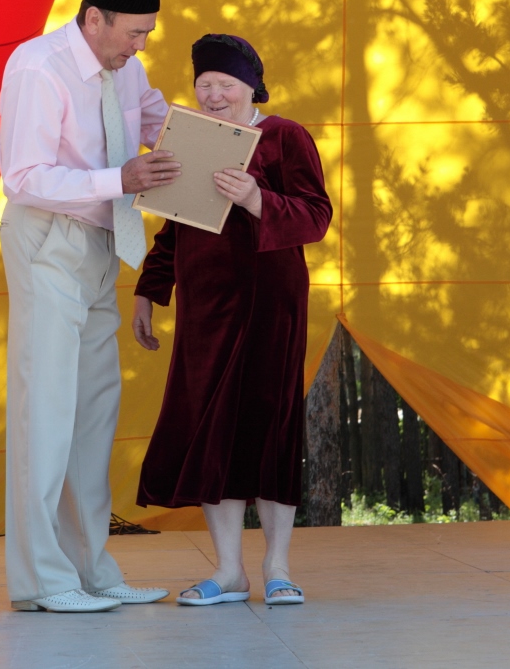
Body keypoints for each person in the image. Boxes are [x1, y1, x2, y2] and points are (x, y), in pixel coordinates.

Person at [0, 0, 180, 613]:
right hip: (49, 242)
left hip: (105, 246)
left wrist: (228, 134)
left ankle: (91, 570)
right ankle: (43, 582)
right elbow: (23, 177)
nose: (141, 46)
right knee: (45, 411)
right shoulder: (37, 67)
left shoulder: (126, 68)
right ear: (94, 17)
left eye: (148, 33)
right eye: (134, 32)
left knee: (92, 418)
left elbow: (158, 122)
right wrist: (118, 180)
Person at [132, 34, 331, 607]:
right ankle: (228, 572)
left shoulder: (285, 135)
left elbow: (317, 214)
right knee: (210, 426)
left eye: (226, 85)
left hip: (272, 303)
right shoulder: (190, 139)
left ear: (252, 88)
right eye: (205, 85)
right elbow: (175, 224)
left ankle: (277, 567)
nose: (214, 95)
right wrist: (150, 290)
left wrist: (255, 199)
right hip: (206, 307)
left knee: (269, 424)